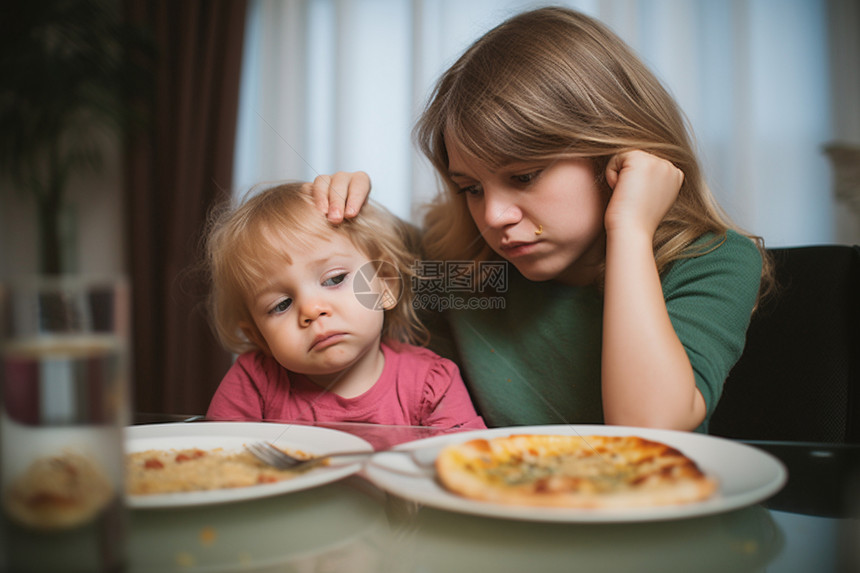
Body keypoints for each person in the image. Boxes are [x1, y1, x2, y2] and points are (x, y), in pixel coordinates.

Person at [310, 7, 774, 433]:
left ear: (615, 153)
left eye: (524, 176)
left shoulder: (714, 261)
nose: (493, 216)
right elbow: (346, 289)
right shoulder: (469, 270)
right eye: (471, 188)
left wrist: (630, 228)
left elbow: (649, 430)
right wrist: (342, 221)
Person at [204, 182, 485, 429]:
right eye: (281, 305)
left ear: (385, 285)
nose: (312, 310)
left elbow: (471, 469)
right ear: (257, 335)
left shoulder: (431, 383)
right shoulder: (254, 383)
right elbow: (217, 469)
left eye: (334, 279)